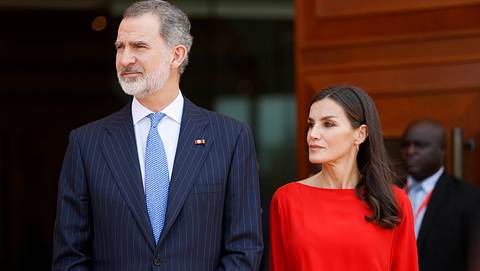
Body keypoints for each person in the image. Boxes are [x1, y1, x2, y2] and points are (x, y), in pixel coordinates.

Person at [52, 1, 263, 270]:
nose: (125, 59)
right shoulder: (86, 143)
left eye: (139, 46)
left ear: (176, 55)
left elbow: (244, 248)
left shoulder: (231, 138)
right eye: (120, 47)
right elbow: (70, 256)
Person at [269, 85, 419, 271]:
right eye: (311, 124)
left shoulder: (395, 201)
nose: (312, 134)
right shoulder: (286, 199)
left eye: (328, 124)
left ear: (360, 134)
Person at [401, 119, 480, 271]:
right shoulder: (388, 192)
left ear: (442, 149)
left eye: (420, 145)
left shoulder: (468, 198)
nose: (410, 151)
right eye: (406, 144)